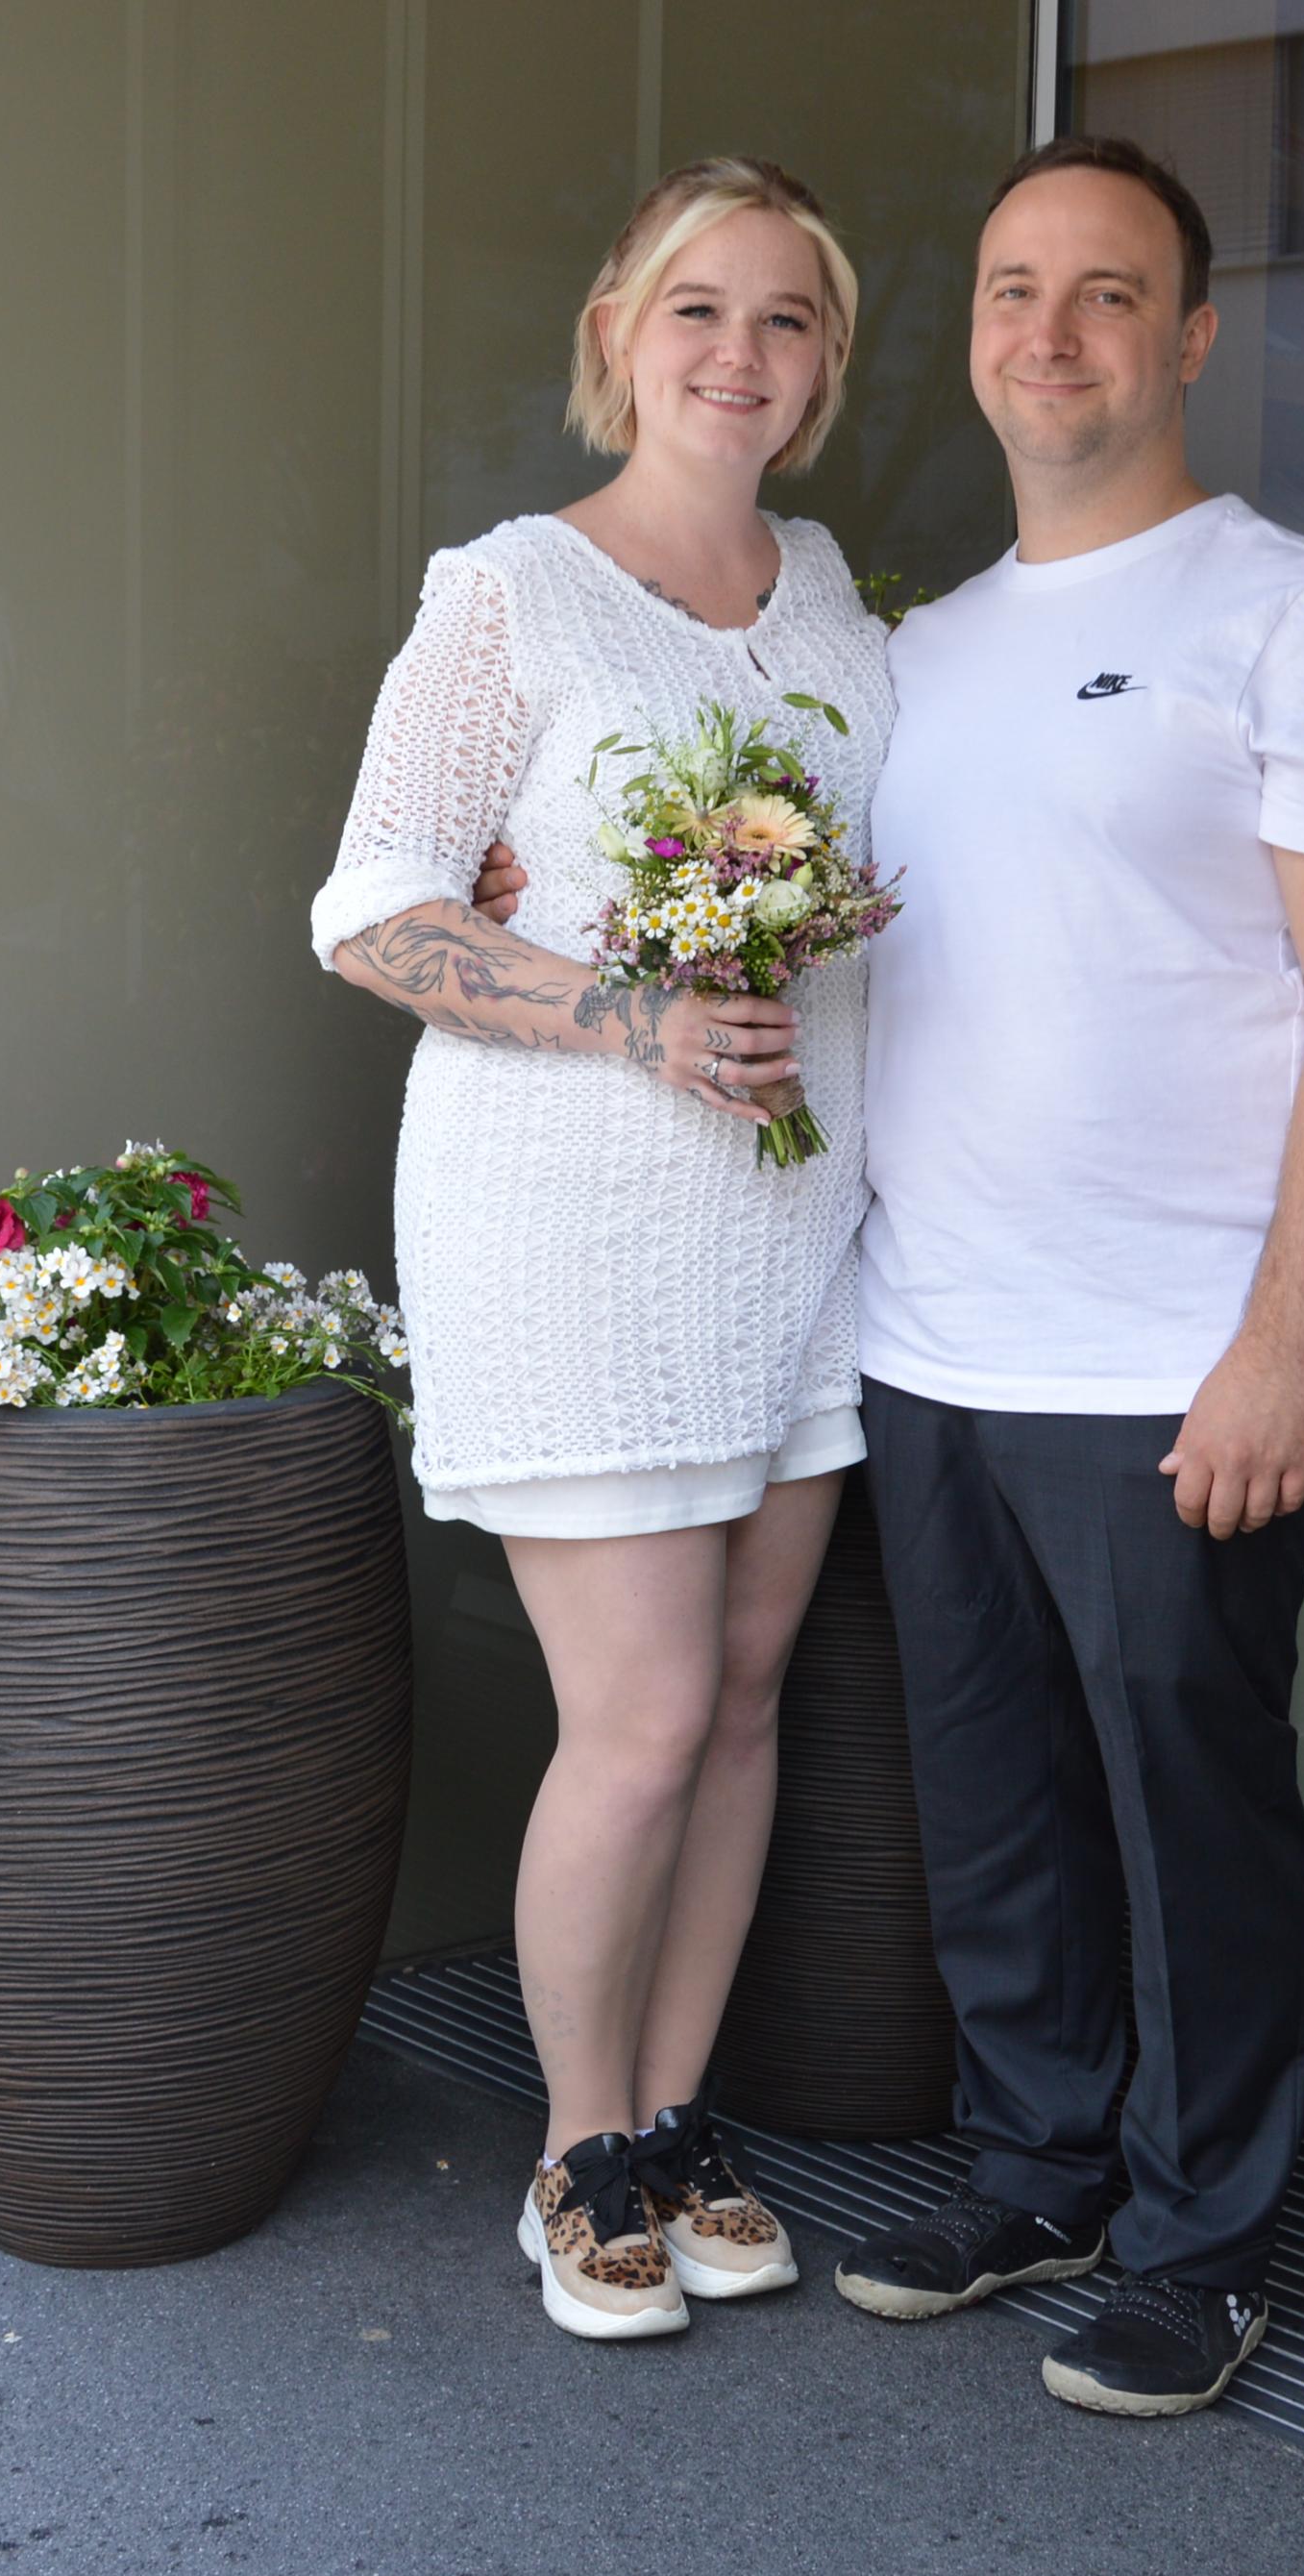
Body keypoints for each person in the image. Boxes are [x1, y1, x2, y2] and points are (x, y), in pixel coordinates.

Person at [821, 136, 1304, 2417]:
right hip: (931, 1343)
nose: (1050, 333)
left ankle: (1203, 2241)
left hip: (1174, 1360)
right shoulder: (916, 658)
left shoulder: (1293, 616)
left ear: (1187, 336)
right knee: (993, 1808)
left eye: (1105, 292)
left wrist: (1282, 1347)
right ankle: (1037, 2167)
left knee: (1188, 1828)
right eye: (1012, 289)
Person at [308, 159, 899, 2343]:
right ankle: (574, 2156)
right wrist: (629, 1015)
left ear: (824, 366)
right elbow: (371, 908)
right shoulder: (512, 595)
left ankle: (672, 2119)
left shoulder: (829, 594)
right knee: (639, 1717)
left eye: (787, 318)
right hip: (572, 1223)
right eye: (698, 311)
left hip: (794, 1220)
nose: (741, 353)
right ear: (617, 337)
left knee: (739, 1705)